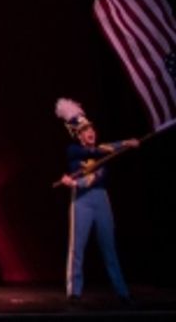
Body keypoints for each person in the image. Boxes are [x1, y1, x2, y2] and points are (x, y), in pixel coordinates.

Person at [55, 98, 136, 303]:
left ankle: (121, 290)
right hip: (81, 202)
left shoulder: (103, 154)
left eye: (91, 129)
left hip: (100, 199)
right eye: (84, 130)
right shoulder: (74, 151)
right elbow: (92, 152)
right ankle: (74, 291)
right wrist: (123, 143)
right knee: (77, 247)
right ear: (78, 135)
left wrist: (76, 183)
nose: (90, 132)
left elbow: (99, 175)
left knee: (109, 246)